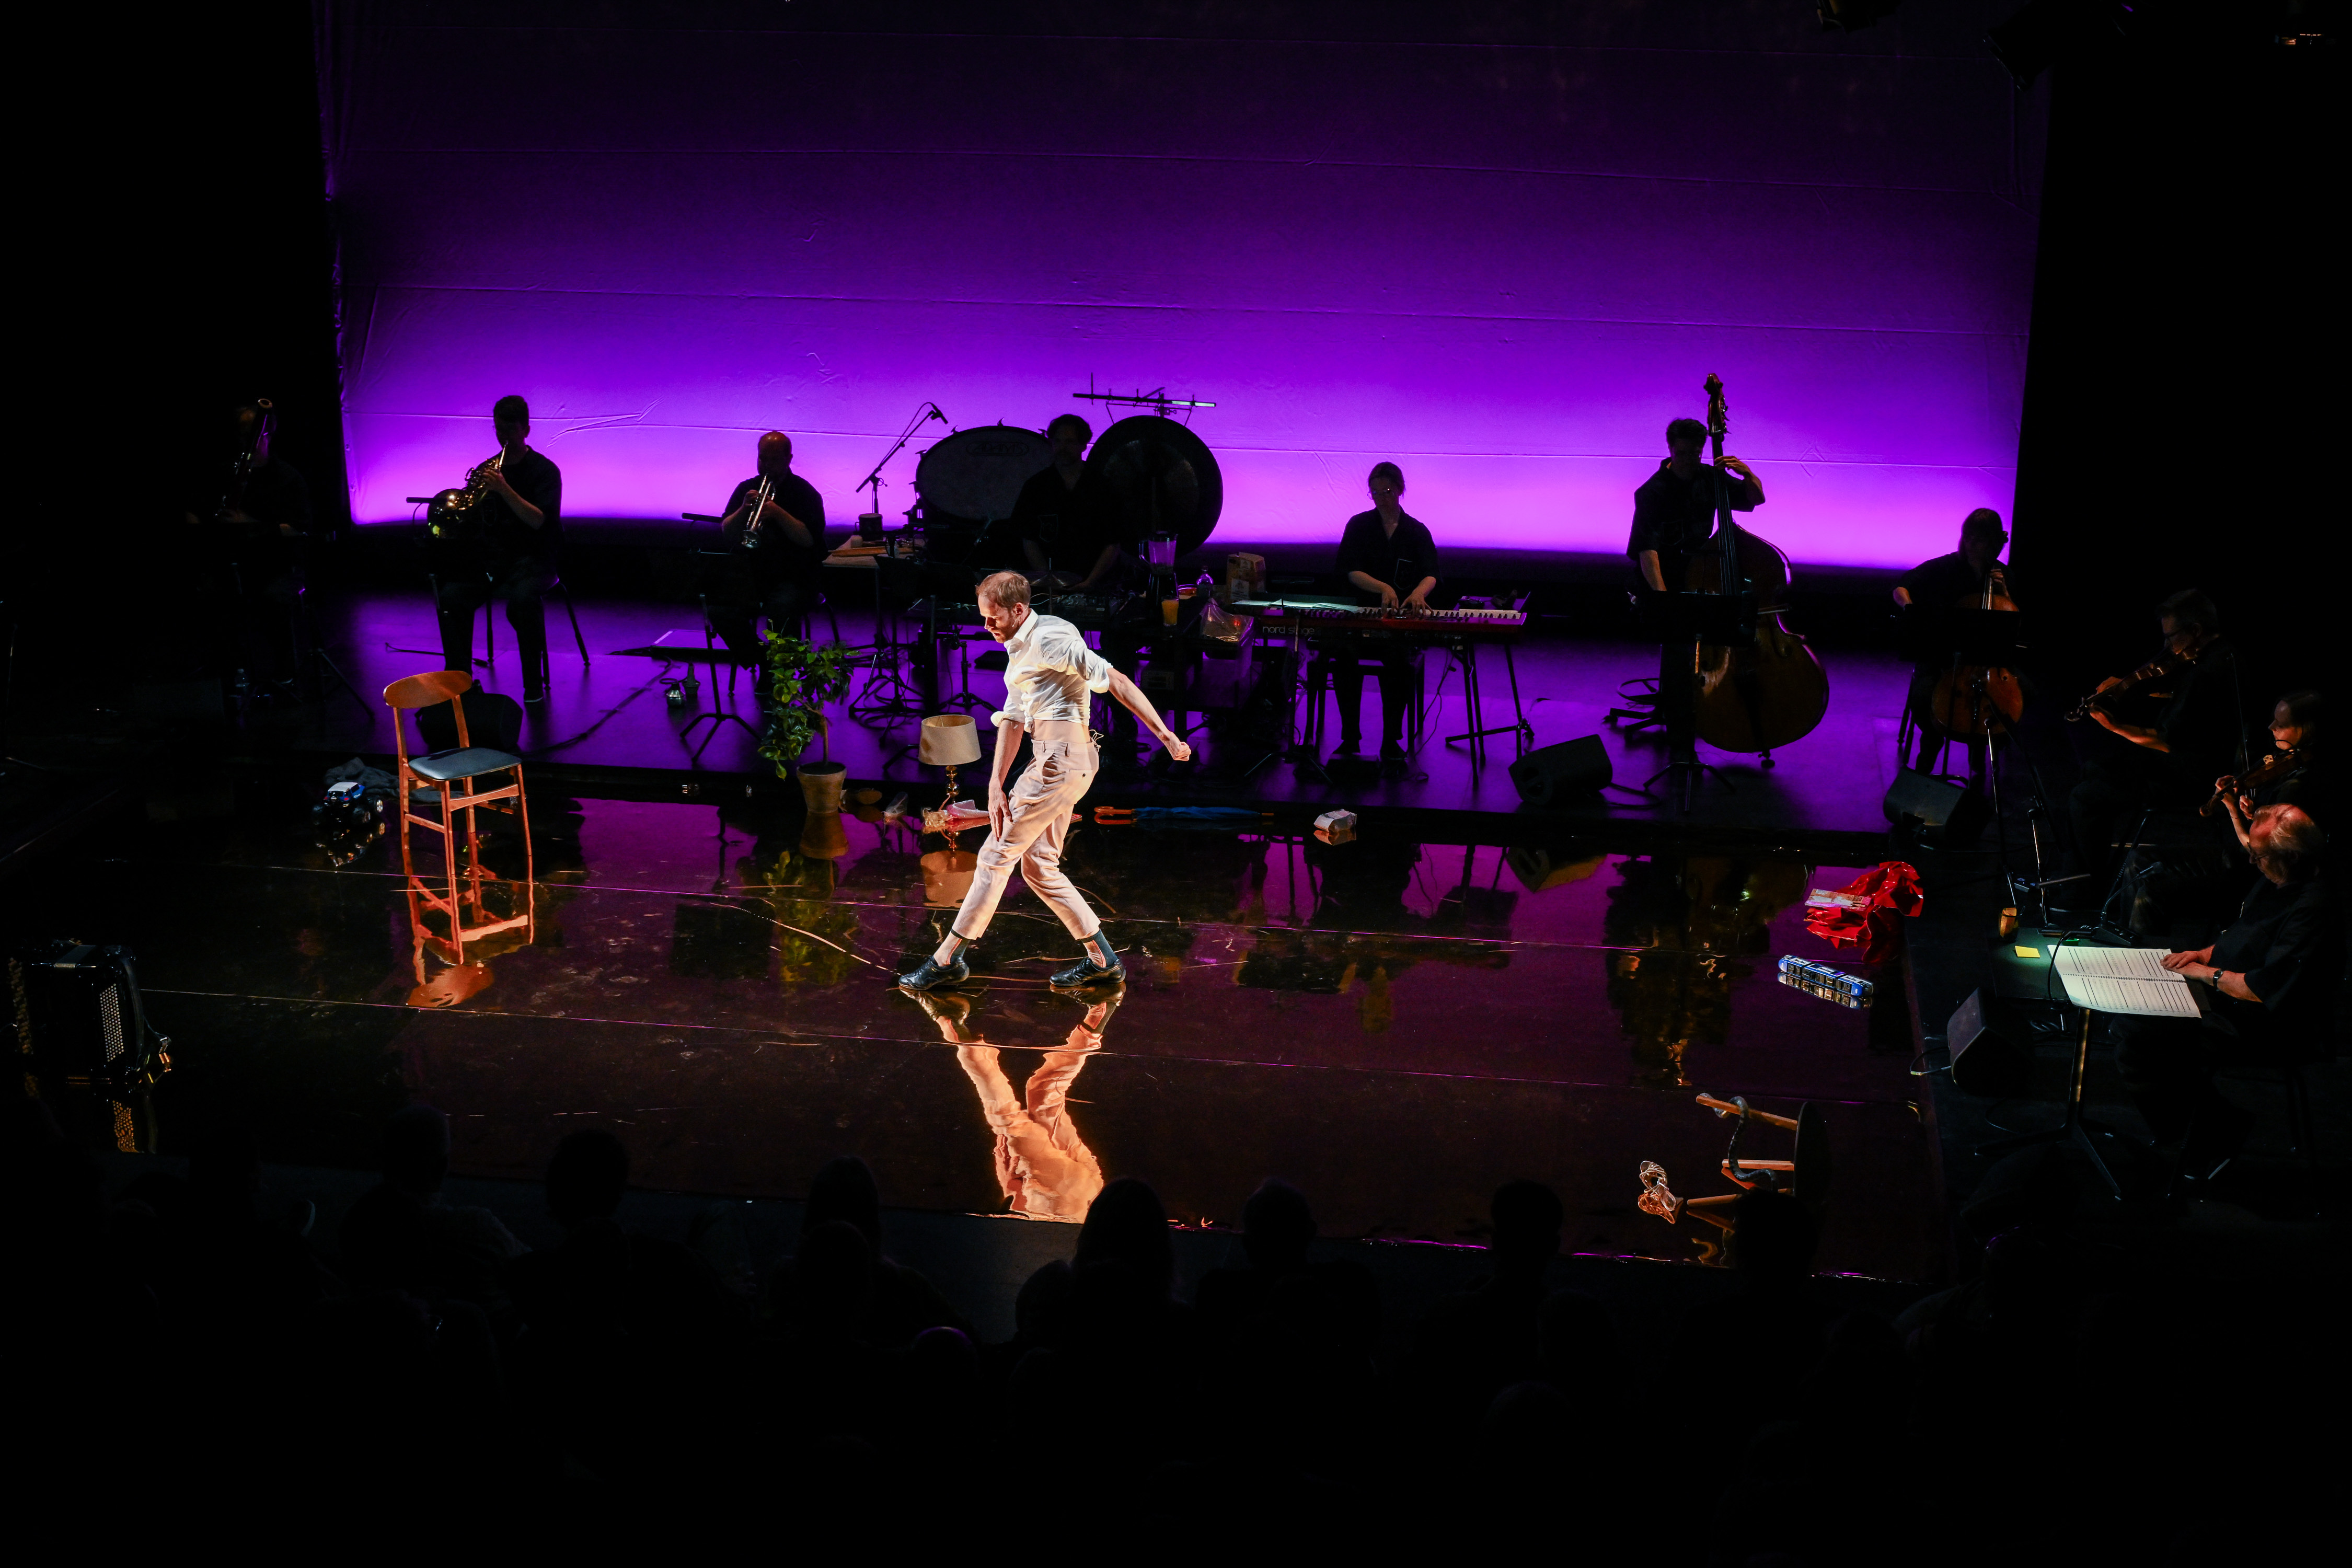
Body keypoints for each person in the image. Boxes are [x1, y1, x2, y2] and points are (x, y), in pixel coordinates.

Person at [897, 571, 1191, 992]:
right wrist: (995, 786)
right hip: (1059, 761)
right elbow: (1014, 720)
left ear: (1019, 609)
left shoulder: (1051, 639)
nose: (986, 626)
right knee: (1038, 866)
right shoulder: (1022, 646)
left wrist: (1166, 736)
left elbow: (1118, 681)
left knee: (995, 857)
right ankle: (1104, 961)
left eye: (994, 617)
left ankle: (946, 961)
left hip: (1060, 762)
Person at [2126, 804, 2338, 1182]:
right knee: (2132, 1024)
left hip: (2273, 1025)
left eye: (2259, 855)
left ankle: (2217, 1134)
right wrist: (2202, 954)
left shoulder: (2313, 907)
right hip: (2230, 998)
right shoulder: (2276, 879)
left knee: (2142, 1042)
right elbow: (2243, 937)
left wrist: (2203, 972)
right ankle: (2203, 1132)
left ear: (2291, 856)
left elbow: (2260, 988)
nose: (2253, 862)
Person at [2066, 589, 2242, 894]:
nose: (2167, 646)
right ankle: (2091, 871)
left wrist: (2114, 726)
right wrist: (2129, 686)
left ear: (2195, 631)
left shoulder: (2205, 673)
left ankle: (2082, 891)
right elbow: (2186, 699)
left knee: (2086, 796)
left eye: (2171, 637)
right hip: (2205, 764)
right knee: (2094, 770)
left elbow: (2166, 740)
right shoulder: (2225, 654)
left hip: (2195, 778)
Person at [1627, 416, 1763, 739]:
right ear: (1671, 449)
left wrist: (1747, 474)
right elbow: (1647, 551)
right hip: (1665, 579)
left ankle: (1705, 706)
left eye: (1695, 453)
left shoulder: (1710, 478)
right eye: (1683, 453)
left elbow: (1756, 499)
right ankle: (1679, 726)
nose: (1689, 459)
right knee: (1679, 648)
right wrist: (1664, 601)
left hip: (1702, 575)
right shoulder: (1651, 492)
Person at [435, 394, 563, 701]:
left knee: (522, 601)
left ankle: (533, 686)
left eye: (510, 430)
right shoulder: (487, 470)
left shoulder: (545, 471)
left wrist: (504, 489)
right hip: (496, 560)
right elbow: (475, 524)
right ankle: (459, 682)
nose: (503, 437)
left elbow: (538, 521)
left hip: (536, 559)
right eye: (498, 430)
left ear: (526, 430)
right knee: (451, 597)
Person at [188, 400, 313, 684]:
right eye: (242, 433)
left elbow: (300, 528)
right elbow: (194, 509)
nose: (247, 440)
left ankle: (284, 672)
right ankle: (228, 672)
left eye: (252, 433)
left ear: (268, 433)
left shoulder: (288, 478)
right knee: (210, 596)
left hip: (276, 565)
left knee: (273, 599)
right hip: (232, 561)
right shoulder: (224, 472)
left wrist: (249, 524)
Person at [1328, 462, 1440, 762]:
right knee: (1344, 657)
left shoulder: (1416, 531)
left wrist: (1418, 593)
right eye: (1375, 493)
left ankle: (1391, 739)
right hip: (1360, 616)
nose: (1381, 498)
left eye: (1387, 492)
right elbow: (1350, 570)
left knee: (1398, 662)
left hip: (1397, 621)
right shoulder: (1359, 525)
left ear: (1400, 490)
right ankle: (1350, 737)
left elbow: (1431, 573)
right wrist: (1383, 588)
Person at [1893, 508, 2018, 771]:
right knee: (1924, 698)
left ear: (1995, 543)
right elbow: (1902, 586)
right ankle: (1929, 749)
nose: (1971, 544)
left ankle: (1980, 756)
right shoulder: (1945, 567)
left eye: (1980, 540)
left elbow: (2016, 624)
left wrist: (2005, 595)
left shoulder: (2003, 575)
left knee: (2026, 693)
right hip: (1940, 658)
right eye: (1968, 537)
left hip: (1988, 665)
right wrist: (1910, 609)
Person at [707, 431, 828, 693]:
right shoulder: (746, 488)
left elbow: (808, 539)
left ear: (789, 459)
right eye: (763, 459)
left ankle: (781, 673)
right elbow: (727, 532)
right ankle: (762, 660)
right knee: (718, 608)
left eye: (774, 460)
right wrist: (744, 509)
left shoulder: (805, 493)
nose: (766, 466)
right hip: (752, 574)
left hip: (795, 576)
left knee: (782, 607)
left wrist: (776, 512)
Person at [1009, 414, 1126, 591]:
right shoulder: (1036, 486)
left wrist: (1090, 582)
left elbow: (1113, 542)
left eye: (1070, 442)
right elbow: (1028, 538)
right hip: (1050, 589)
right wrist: (1048, 579)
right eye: (1058, 441)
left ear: (1083, 445)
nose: (1063, 448)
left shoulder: (1103, 487)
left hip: (1097, 586)